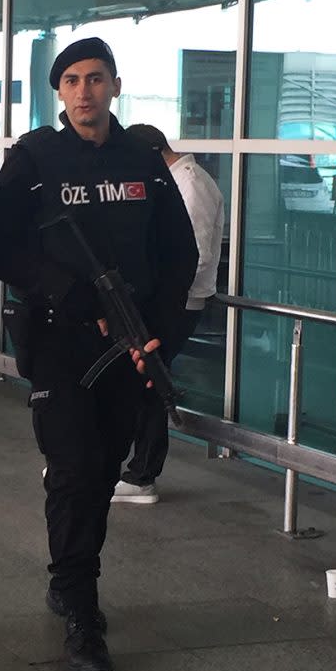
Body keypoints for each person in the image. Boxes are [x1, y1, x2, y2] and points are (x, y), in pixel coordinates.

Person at [0, 38, 197, 671]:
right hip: (57, 339)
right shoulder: (35, 160)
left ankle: (67, 575)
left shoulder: (143, 160)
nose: (84, 92)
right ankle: (82, 608)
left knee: (101, 471)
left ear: (115, 85)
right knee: (74, 468)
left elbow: (179, 254)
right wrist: (67, 291)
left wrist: (156, 332)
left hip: (128, 345)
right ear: (60, 92)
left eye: (95, 79)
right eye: (72, 80)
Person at [111, 124, 225, 505]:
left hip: (179, 302)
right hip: (160, 300)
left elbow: (196, 255)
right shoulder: (171, 179)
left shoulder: (190, 184)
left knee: (150, 383)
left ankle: (142, 475)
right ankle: (120, 466)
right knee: (139, 380)